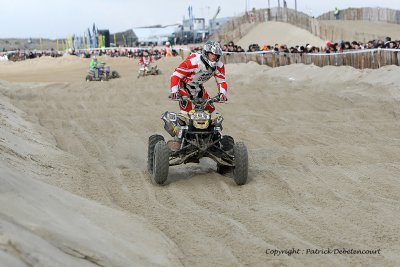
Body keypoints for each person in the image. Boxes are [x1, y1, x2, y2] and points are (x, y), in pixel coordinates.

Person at [170, 40, 228, 114]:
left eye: (216, 55)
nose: (214, 57)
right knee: (186, 113)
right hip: (183, 85)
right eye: (212, 54)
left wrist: (222, 93)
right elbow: (176, 75)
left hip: (198, 87)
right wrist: (174, 91)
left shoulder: (219, 66)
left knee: (212, 112)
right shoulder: (193, 62)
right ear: (206, 53)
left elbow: (221, 81)